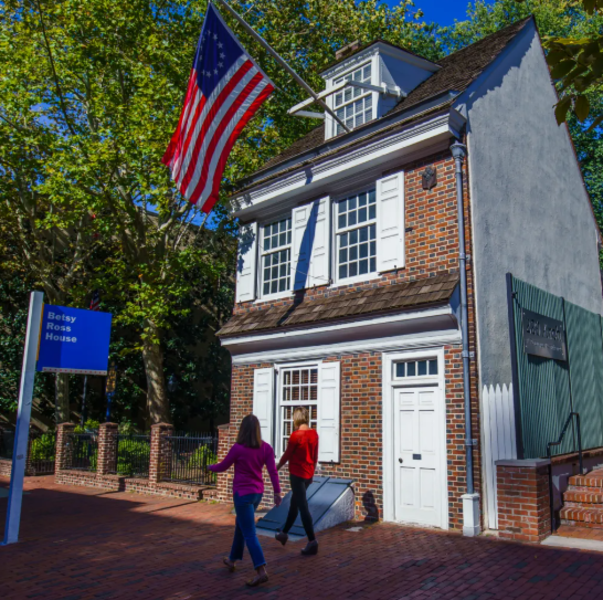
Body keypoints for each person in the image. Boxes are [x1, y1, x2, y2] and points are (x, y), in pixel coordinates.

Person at [208, 414, 282, 587]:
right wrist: (277, 493)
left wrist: (210, 467)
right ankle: (233, 559)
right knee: (241, 525)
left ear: (242, 429)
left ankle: (261, 570)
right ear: (257, 430)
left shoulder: (238, 448)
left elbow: (223, 466)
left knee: (249, 532)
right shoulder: (266, 449)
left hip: (242, 495)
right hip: (257, 494)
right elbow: (273, 472)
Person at [275, 407, 319, 555]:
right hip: (307, 475)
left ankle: (312, 541)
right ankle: (284, 533)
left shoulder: (296, 435)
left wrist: (277, 467)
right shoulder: (314, 434)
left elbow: (287, 454)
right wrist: (312, 474)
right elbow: (315, 456)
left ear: (297, 418)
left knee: (302, 507)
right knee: (295, 503)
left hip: (297, 474)